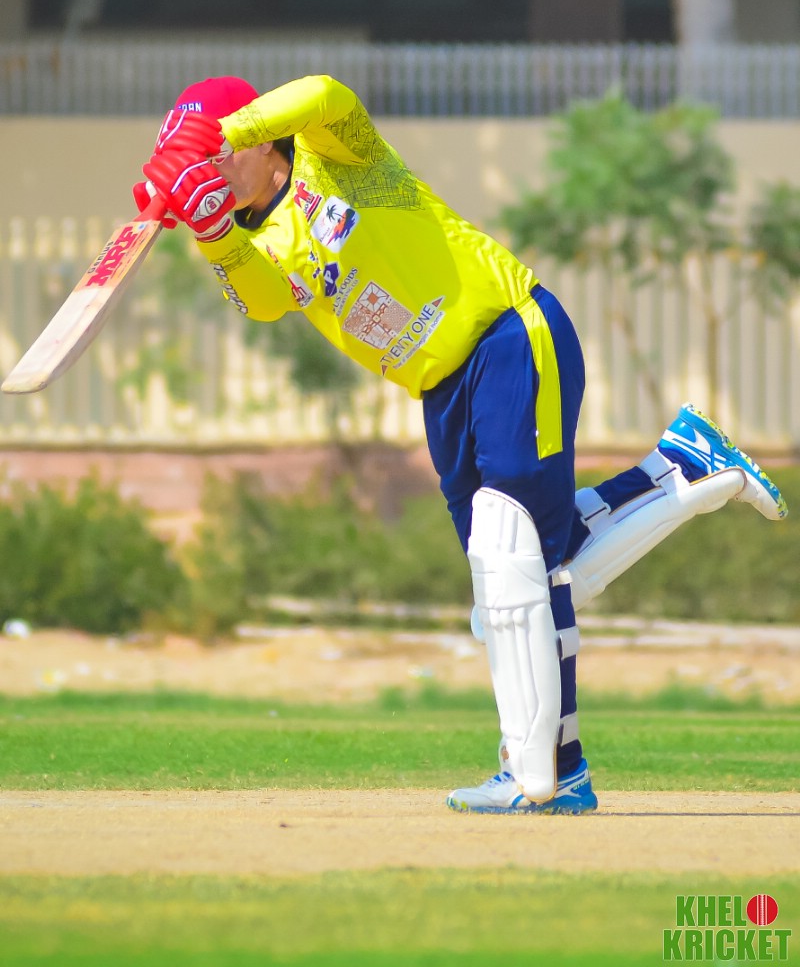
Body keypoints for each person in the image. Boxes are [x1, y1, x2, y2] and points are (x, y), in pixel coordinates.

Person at [135, 74, 788, 815]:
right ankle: (679, 468)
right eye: (197, 164)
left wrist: (221, 132)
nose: (212, 169)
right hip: (439, 388)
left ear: (264, 142)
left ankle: (541, 773)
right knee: (517, 579)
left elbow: (327, 92)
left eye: (220, 153)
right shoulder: (258, 241)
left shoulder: (341, 160)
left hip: (507, 334)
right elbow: (260, 301)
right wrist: (215, 234)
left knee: (515, 560)